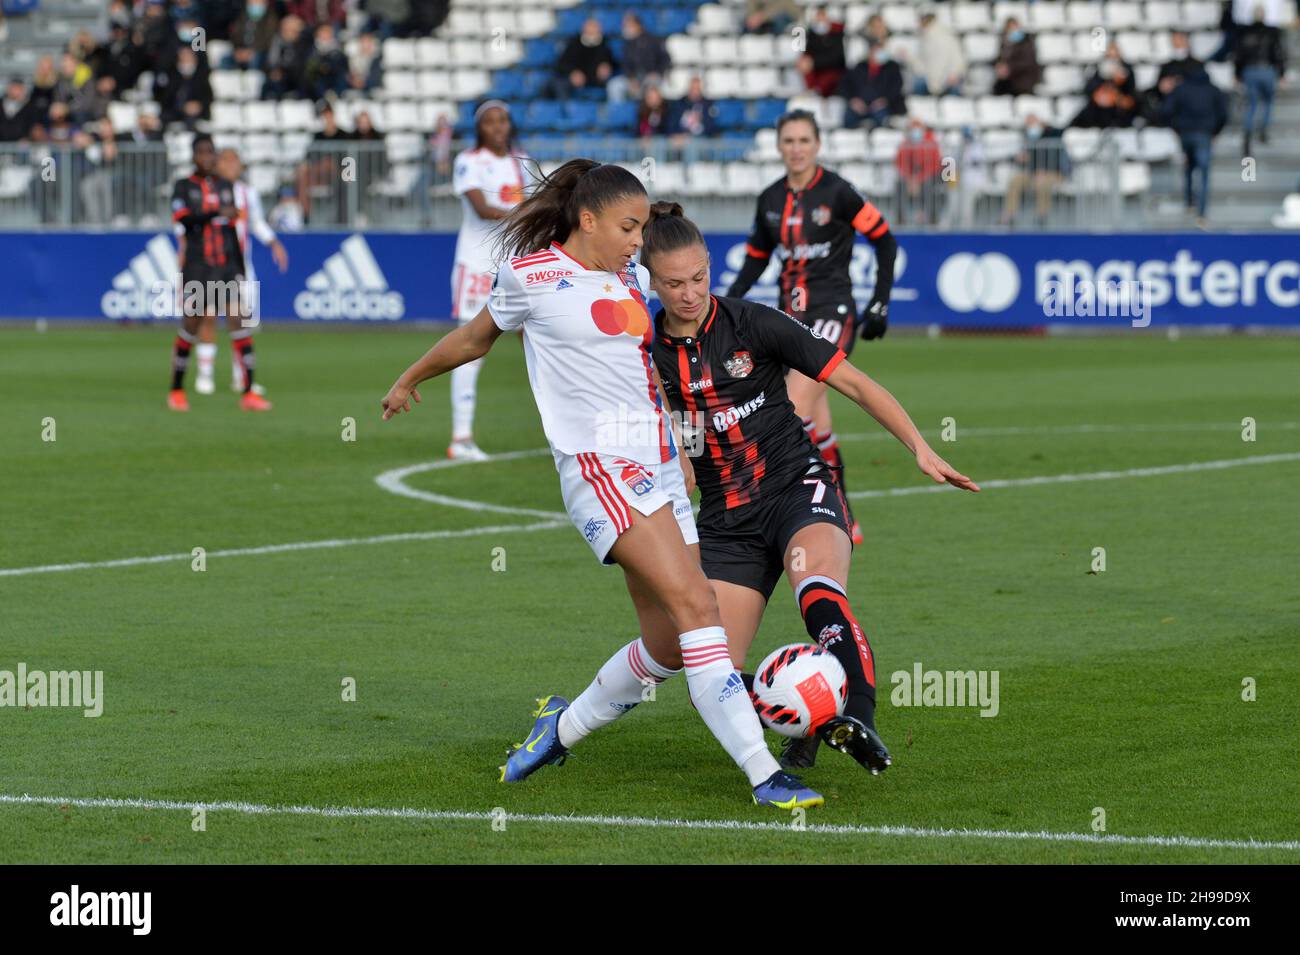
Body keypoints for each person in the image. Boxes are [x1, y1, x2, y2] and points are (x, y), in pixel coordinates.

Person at [380, 159, 823, 809]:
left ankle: (558, 728)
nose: (637, 240)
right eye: (627, 226)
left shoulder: (631, 274)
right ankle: (765, 774)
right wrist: (410, 377)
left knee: (671, 644)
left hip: (664, 467)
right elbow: (475, 338)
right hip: (600, 468)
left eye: (641, 227)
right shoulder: (530, 278)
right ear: (588, 220)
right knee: (700, 609)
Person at [645, 202, 978, 771]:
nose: (689, 293)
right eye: (674, 283)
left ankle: (859, 723)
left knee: (818, 594)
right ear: (651, 281)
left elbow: (853, 382)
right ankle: (807, 710)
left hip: (797, 488)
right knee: (708, 667)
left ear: (708, 267)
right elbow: (679, 438)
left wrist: (920, 448)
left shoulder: (755, 323)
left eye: (698, 277)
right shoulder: (649, 353)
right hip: (727, 519)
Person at [726, 110, 898, 547]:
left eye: (804, 140)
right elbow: (756, 257)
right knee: (817, 424)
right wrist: (725, 304)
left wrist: (879, 301)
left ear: (817, 145)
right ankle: (845, 516)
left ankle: (756, 506)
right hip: (791, 317)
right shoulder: (769, 199)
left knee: (791, 407)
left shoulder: (838, 192)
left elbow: (885, 239)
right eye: (789, 141)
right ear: (779, 146)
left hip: (832, 313)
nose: (797, 148)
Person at [446, 101, 531, 461]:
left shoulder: (520, 161)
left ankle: (567, 428)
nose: (497, 127)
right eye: (489, 121)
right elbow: (482, 209)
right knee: (470, 349)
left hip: (514, 265)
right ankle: (460, 437)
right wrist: (528, 214)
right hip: (477, 265)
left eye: (502, 120)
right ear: (480, 128)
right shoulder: (469, 161)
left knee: (540, 341)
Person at [167, 134, 270, 412]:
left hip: (227, 265)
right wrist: (215, 214)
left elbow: (232, 225)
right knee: (193, 323)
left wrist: (239, 267)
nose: (206, 157)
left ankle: (248, 392)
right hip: (199, 265)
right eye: (201, 153)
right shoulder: (183, 187)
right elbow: (183, 220)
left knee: (238, 320)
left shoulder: (227, 186)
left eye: (209, 152)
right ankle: (176, 389)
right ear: (193, 156)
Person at [186, 147, 288, 397]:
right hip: (210, 265)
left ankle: (241, 378)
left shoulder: (247, 193)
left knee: (241, 321)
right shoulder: (206, 191)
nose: (232, 165)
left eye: (236, 161)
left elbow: (256, 222)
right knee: (208, 316)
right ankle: (205, 375)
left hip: (239, 266)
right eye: (227, 160)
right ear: (217, 164)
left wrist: (273, 242)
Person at [1159, 66, 1228, 226]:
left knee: (1189, 167)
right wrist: (1215, 132)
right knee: (1203, 172)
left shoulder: (1181, 89)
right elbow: (1223, 114)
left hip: (1186, 134)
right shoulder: (1213, 90)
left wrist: (1177, 128)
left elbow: (1166, 111)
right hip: (1204, 134)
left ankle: (1189, 203)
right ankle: (1201, 213)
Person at [1234, 5, 1286, 155]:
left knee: (1252, 104)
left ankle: (1248, 134)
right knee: (1268, 101)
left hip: (1250, 71)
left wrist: (1237, 74)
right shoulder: (1272, 32)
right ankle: (1263, 130)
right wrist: (1281, 73)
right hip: (1266, 70)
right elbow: (1279, 53)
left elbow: (1239, 54)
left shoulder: (1244, 32)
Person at [1001, 114, 1070, 226]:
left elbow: (1057, 157)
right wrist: (1020, 158)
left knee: (1041, 184)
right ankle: (1010, 215)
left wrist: (1045, 170)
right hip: (1033, 173)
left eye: (1032, 122)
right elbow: (1027, 159)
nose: (1030, 126)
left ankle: (1042, 216)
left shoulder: (1053, 135)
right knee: (1014, 181)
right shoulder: (1029, 138)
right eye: (1028, 123)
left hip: (1055, 173)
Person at [837, 38, 906, 129]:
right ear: (869, 52)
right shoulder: (859, 67)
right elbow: (844, 86)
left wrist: (884, 100)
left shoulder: (892, 67)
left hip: (882, 106)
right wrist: (853, 100)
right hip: (860, 106)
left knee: (882, 120)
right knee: (848, 118)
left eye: (880, 50)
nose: (878, 53)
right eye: (875, 50)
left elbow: (897, 87)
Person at [605, 13, 670, 105]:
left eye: (628, 25)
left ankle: (648, 115)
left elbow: (665, 59)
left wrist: (657, 72)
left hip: (651, 76)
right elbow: (625, 64)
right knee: (614, 85)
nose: (626, 28)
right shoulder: (627, 43)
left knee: (652, 84)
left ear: (638, 25)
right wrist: (630, 78)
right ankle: (621, 114)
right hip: (633, 78)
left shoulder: (653, 40)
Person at [547, 17, 615, 100]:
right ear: (584, 29)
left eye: (596, 28)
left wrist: (607, 68)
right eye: (591, 28)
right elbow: (561, 64)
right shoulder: (574, 44)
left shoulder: (604, 45)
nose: (593, 31)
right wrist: (572, 73)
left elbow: (612, 63)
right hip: (575, 80)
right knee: (560, 85)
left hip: (596, 80)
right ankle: (566, 110)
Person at [895, 117, 945, 225]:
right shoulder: (905, 143)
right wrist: (910, 178)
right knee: (899, 184)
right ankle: (900, 217)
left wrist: (920, 179)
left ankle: (932, 217)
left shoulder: (932, 143)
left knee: (929, 185)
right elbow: (900, 163)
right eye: (913, 129)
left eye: (918, 128)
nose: (915, 131)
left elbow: (935, 165)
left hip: (928, 176)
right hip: (911, 178)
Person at [797, 7, 846, 98]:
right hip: (817, 69)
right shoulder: (812, 33)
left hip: (834, 70)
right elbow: (808, 52)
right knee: (804, 64)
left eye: (822, 16)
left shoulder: (837, 33)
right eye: (818, 17)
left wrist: (814, 62)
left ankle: (818, 91)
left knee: (830, 77)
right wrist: (805, 61)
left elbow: (837, 57)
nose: (820, 20)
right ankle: (812, 91)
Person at [915, 12, 966, 96]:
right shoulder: (925, 38)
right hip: (933, 80)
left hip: (948, 81)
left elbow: (958, 58)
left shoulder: (945, 36)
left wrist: (954, 73)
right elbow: (923, 64)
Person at [993, 18, 1041, 96]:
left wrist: (1009, 68)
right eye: (1010, 28)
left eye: (1014, 27)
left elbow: (1027, 62)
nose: (1012, 30)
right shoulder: (1005, 43)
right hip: (1008, 80)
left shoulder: (1026, 43)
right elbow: (1000, 59)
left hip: (1023, 80)